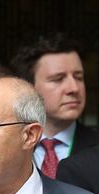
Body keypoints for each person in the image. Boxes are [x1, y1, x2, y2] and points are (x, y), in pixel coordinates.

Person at [10, 33, 99, 178]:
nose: (74, 88)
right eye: (58, 79)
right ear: (29, 87)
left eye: (79, 77)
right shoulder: (10, 147)